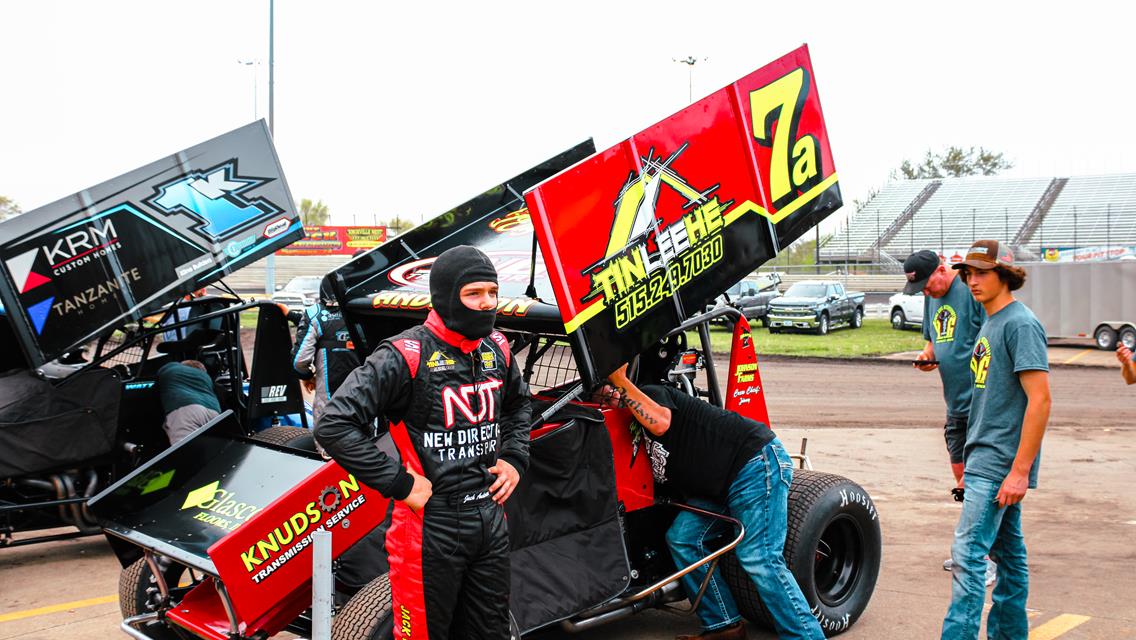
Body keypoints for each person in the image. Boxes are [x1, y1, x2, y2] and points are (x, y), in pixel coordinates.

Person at [315, 245, 532, 640]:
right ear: (447, 296)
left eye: (492, 293)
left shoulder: (497, 348)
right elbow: (334, 425)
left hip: (490, 519)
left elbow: (519, 406)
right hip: (429, 527)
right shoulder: (404, 353)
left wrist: (516, 458)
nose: (487, 304)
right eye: (473, 294)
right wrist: (399, 483)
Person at [607, 365, 824, 640]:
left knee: (760, 557)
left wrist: (618, 379)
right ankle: (724, 626)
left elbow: (660, 422)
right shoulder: (626, 429)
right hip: (718, 488)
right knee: (683, 538)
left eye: (608, 392)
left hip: (754, 465)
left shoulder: (654, 393)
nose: (607, 398)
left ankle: (807, 636)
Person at [941, 240, 1051, 640]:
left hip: (1000, 463)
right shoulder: (992, 320)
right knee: (1009, 558)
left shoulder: (1020, 324)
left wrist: (1019, 471)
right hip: (986, 460)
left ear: (1005, 274)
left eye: (982, 272)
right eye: (968, 273)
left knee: (968, 558)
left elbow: (1040, 400)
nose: (972, 280)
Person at [904, 250, 992, 579]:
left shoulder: (972, 292)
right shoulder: (932, 296)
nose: (927, 291)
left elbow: (993, 340)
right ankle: (975, 551)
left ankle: (985, 558)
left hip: (983, 405)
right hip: (955, 404)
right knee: (963, 483)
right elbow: (933, 344)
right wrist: (926, 358)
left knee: (981, 484)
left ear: (943, 269)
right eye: (921, 289)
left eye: (929, 284)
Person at [292, 274, 360, 424]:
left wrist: (307, 375)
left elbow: (299, 361)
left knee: (328, 438)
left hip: (329, 399)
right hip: (366, 395)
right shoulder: (365, 311)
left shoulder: (315, 313)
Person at [157, 359, 221, 445]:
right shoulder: (206, 377)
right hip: (214, 412)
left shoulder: (173, 367)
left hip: (187, 411)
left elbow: (159, 374)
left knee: (186, 450)